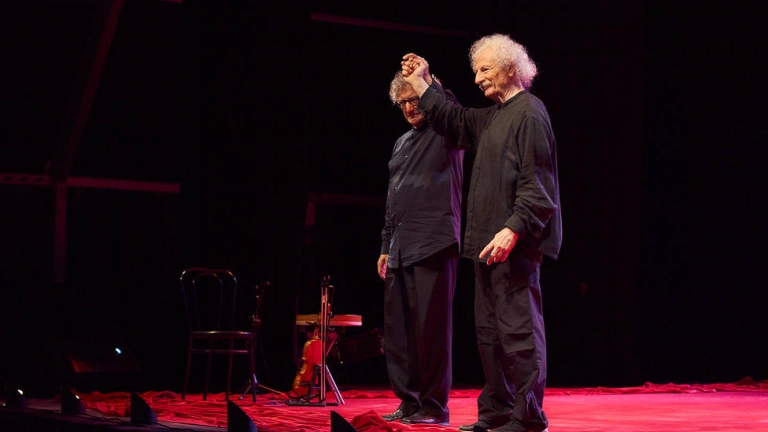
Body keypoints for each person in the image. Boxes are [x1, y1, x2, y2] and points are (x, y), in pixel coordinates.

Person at [400, 33, 561, 432]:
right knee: (490, 336)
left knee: (519, 334)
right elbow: (452, 119)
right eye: (475, 71)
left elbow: (538, 186)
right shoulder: (492, 117)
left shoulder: (530, 114)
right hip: (484, 245)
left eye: (485, 69)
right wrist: (422, 82)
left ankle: (528, 418)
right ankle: (496, 412)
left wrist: (513, 229)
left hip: (513, 245)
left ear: (511, 68)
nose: (477, 78)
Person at [377, 71, 464, 426]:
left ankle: (433, 407)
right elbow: (393, 196)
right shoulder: (401, 143)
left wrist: (426, 79)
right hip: (400, 246)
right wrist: (386, 244)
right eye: (403, 103)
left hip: (433, 242)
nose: (410, 108)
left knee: (431, 332)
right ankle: (409, 402)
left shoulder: (446, 130)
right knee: (400, 334)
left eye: (415, 100)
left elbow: (448, 105)